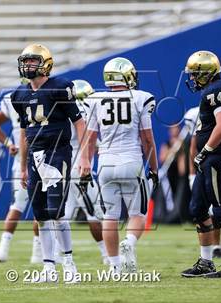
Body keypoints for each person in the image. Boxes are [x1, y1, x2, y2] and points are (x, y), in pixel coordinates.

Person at [11, 44, 91, 283]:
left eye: (33, 61)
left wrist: (85, 156)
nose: (28, 65)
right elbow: (24, 132)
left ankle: (69, 264)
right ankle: (48, 268)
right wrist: (23, 166)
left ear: (46, 64)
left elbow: (79, 123)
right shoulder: (20, 94)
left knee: (57, 212)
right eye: (26, 61)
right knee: (41, 215)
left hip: (58, 152)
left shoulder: (59, 87)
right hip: (34, 155)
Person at [85, 57, 159, 274]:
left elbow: (89, 140)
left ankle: (115, 266)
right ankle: (130, 241)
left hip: (105, 163)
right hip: (131, 161)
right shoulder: (141, 98)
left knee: (109, 216)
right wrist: (153, 168)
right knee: (138, 214)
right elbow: (147, 139)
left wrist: (87, 165)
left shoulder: (95, 99)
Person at [181, 51, 221, 278]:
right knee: (197, 209)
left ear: (206, 73)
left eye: (196, 74)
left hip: (218, 158)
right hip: (213, 159)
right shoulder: (215, 91)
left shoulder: (219, 90)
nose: (193, 79)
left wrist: (207, 150)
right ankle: (206, 262)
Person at [0, 89, 43, 264]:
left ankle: (3, 250)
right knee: (40, 207)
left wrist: (9, 143)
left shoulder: (12, 97)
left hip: (23, 159)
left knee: (17, 205)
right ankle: (37, 252)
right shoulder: (46, 94)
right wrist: (8, 143)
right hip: (41, 155)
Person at [64, 79, 108, 265]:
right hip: (80, 167)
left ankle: (59, 255)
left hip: (66, 166)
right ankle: (107, 255)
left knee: (63, 215)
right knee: (96, 214)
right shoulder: (83, 112)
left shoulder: (64, 111)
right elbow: (89, 140)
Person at [185, 106, 221, 258]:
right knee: (205, 211)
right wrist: (191, 173)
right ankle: (214, 247)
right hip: (204, 166)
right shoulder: (195, 114)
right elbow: (193, 146)